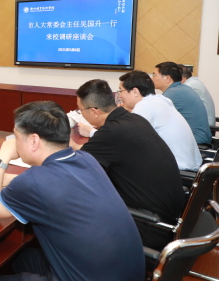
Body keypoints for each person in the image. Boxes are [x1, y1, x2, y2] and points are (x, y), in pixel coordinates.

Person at [0, 101, 144, 281]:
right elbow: (55, 184)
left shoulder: (35, 181)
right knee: (18, 256)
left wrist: (2, 156)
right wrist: (8, 180)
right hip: (124, 273)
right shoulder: (86, 158)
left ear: (33, 141)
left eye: (16, 137)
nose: (14, 144)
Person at [73, 79, 184, 250]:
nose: (81, 114)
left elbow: (75, 170)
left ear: (94, 112)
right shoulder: (134, 119)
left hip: (148, 226)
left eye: (80, 110)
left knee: (75, 211)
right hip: (170, 218)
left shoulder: (111, 131)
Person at [118, 70, 202, 171]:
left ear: (135, 92)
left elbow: (128, 139)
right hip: (192, 166)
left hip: (177, 170)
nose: (119, 96)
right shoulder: (160, 100)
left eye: (121, 91)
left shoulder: (144, 106)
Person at [152, 62, 211, 146]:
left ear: (167, 78)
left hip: (194, 143)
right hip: (196, 139)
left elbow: (153, 118)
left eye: (154, 75)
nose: (151, 78)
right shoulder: (182, 88)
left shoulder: (173, 93)